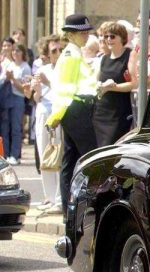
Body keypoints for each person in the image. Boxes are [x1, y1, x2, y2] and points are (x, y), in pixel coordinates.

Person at [47, 14, 99, 214]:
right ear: (70, 34)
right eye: (81, 32)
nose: (86, 35)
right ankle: (90, 203)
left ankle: (70, 206)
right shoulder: (72, 55)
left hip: (75, 109)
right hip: (75, 110)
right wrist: (56, 115)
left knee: (71, 159)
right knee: (90, 156)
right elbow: (65, 90)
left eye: (87, 32)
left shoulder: (73, 53)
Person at [30, 35, 63, 210]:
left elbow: (62, 91)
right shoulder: (42, 69)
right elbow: (36, 98)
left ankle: (58, 198)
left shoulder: (63, 69)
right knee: (44, 154)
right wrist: (37, 88)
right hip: (43, 111)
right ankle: (49, 197)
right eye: (54, 51)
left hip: (58, 112)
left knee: (58, 153)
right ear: (47, 54)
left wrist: (47, 82)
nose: (58, 53)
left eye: (60, 50)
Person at [93, 22, 134, 146]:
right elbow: (95, 83)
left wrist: (112, 87)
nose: (108, 40)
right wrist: (100, 86)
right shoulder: (104, 58)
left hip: (119, 114)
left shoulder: (129, 55)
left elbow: (134, 84)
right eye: (106, 37)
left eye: (112, 36)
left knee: (113, 148)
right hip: (101, 113)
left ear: (122, 37)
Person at [1, 42, 31, 163]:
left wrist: (13, 79)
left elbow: (25, 89)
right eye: (14, 51)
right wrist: (7, 78)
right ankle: (5, 154)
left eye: (18, 51)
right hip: (6, 98)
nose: (15, 53)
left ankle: (14, 155)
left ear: (23, 53)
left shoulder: (25, 67)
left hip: (18, 99)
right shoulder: (9, 65)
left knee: (16, 128)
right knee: (5, 128)